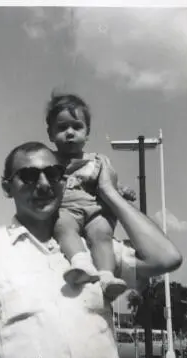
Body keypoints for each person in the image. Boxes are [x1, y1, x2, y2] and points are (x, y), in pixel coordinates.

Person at [0, 141, 182, 358]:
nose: (43, 184)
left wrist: (110, 192)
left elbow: (165, 258)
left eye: (53, 174)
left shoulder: (94, 249)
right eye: (28, 176)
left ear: (64, 181)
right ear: (7, 187)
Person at [46, 93, 134, 301]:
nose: (69, 133)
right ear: (50, 133)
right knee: (63, 226)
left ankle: (106, 276)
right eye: (61, 128)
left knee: (102, 234)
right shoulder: (49, 159)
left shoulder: (97, 161)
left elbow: (109, 183)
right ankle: (80, 263)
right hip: (66, 209)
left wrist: (122, 189)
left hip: (95, 210)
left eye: (76, 127)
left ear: (87, 133)